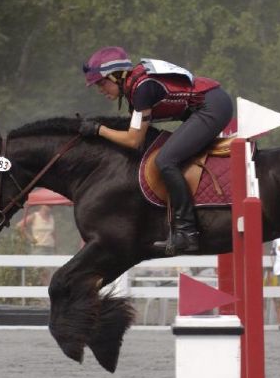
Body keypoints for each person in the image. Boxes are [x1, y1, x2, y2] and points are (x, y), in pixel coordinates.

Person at [81, 46, 233, 255]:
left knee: (165, 161)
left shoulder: (142, 89)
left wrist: (99, 130)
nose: (100, 89)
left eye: (101, 82)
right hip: (208, 104)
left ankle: (186, 232)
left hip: (211, 107)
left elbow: (134, 140)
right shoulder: (136, 85)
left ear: (116, 76)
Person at [17, 204, 56, 286]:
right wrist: (29, 238)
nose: (50, 207)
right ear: (42, 205)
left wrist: (56, 247)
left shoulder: (51, 218)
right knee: (41, 272)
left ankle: (46, 295)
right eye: (49, 205)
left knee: (48, 272)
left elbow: (54, 233)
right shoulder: (35, 216)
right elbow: (19, 226)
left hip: (50, 248)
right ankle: (42, 294)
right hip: (39, 247)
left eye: (52, 206)